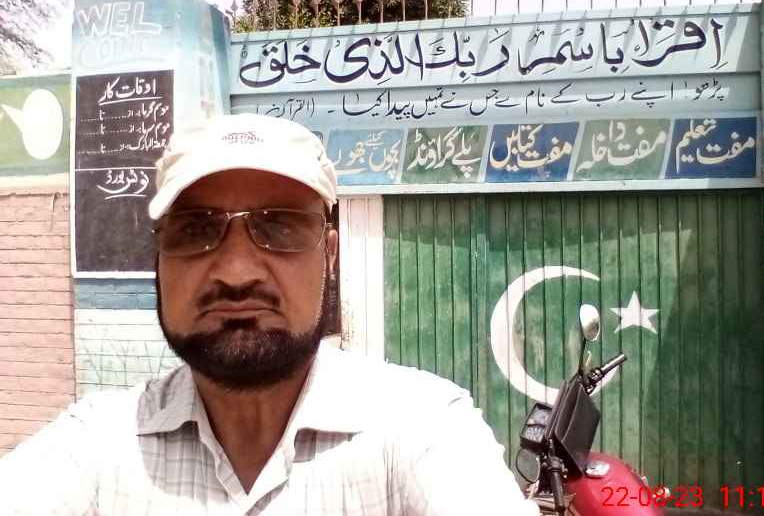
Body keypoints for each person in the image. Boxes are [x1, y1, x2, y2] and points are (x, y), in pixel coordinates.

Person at [0, 115, 539, 515]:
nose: (237, 273)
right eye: (196, 229)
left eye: (279, 226)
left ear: (329, 256)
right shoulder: (98, 443)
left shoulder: (420, 424)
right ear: (158, 259)